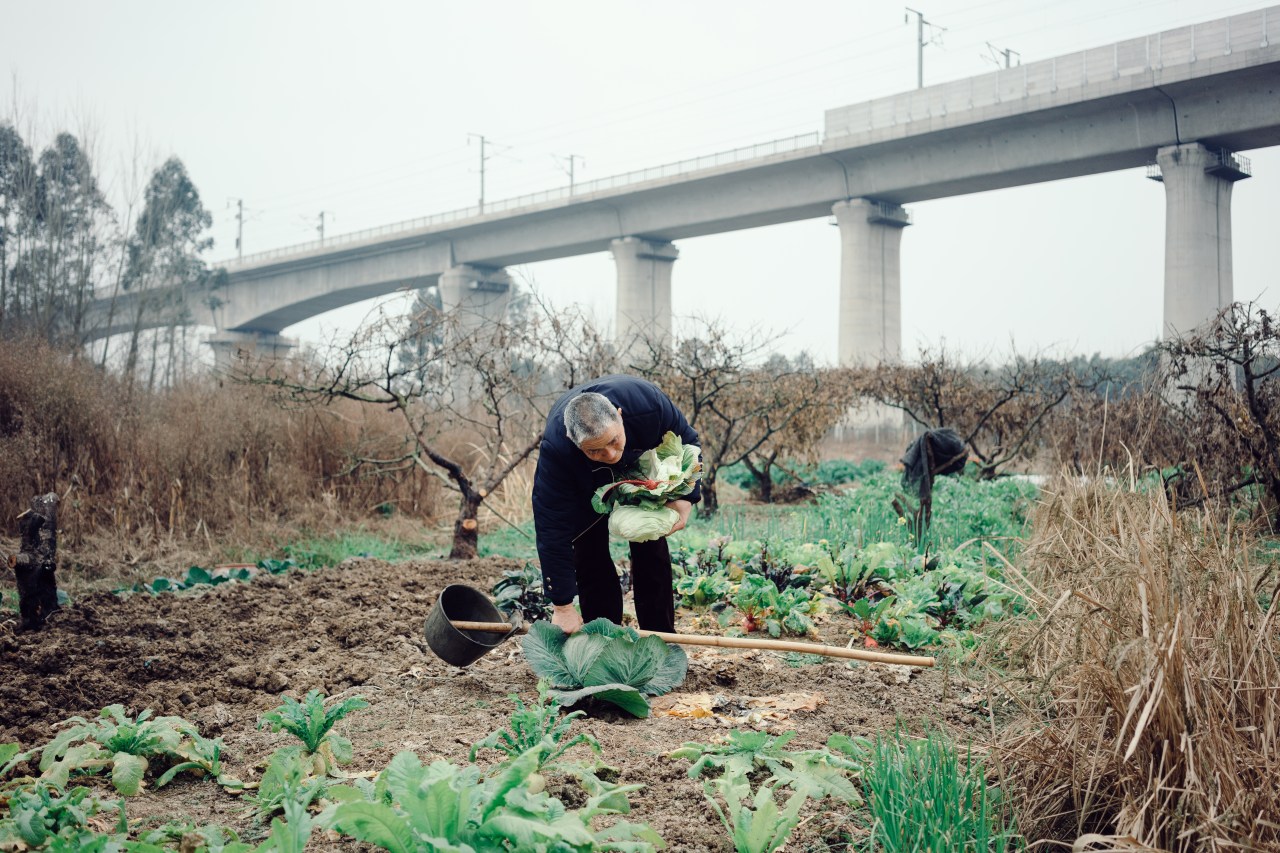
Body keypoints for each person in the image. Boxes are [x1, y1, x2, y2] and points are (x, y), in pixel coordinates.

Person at [532, 375, 700, 635]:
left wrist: (686, 496)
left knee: (651, 549)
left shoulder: (648, 405)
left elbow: (688, 442)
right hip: (585, 483)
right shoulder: (557, 450)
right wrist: (562, 606)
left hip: (641, 473)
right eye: (595, 451)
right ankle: (604, 638)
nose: (610, 456)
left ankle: (660, 639)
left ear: (620, 416)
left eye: (614, 441)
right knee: (589, 553)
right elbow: (551, 527)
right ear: (573, 441)